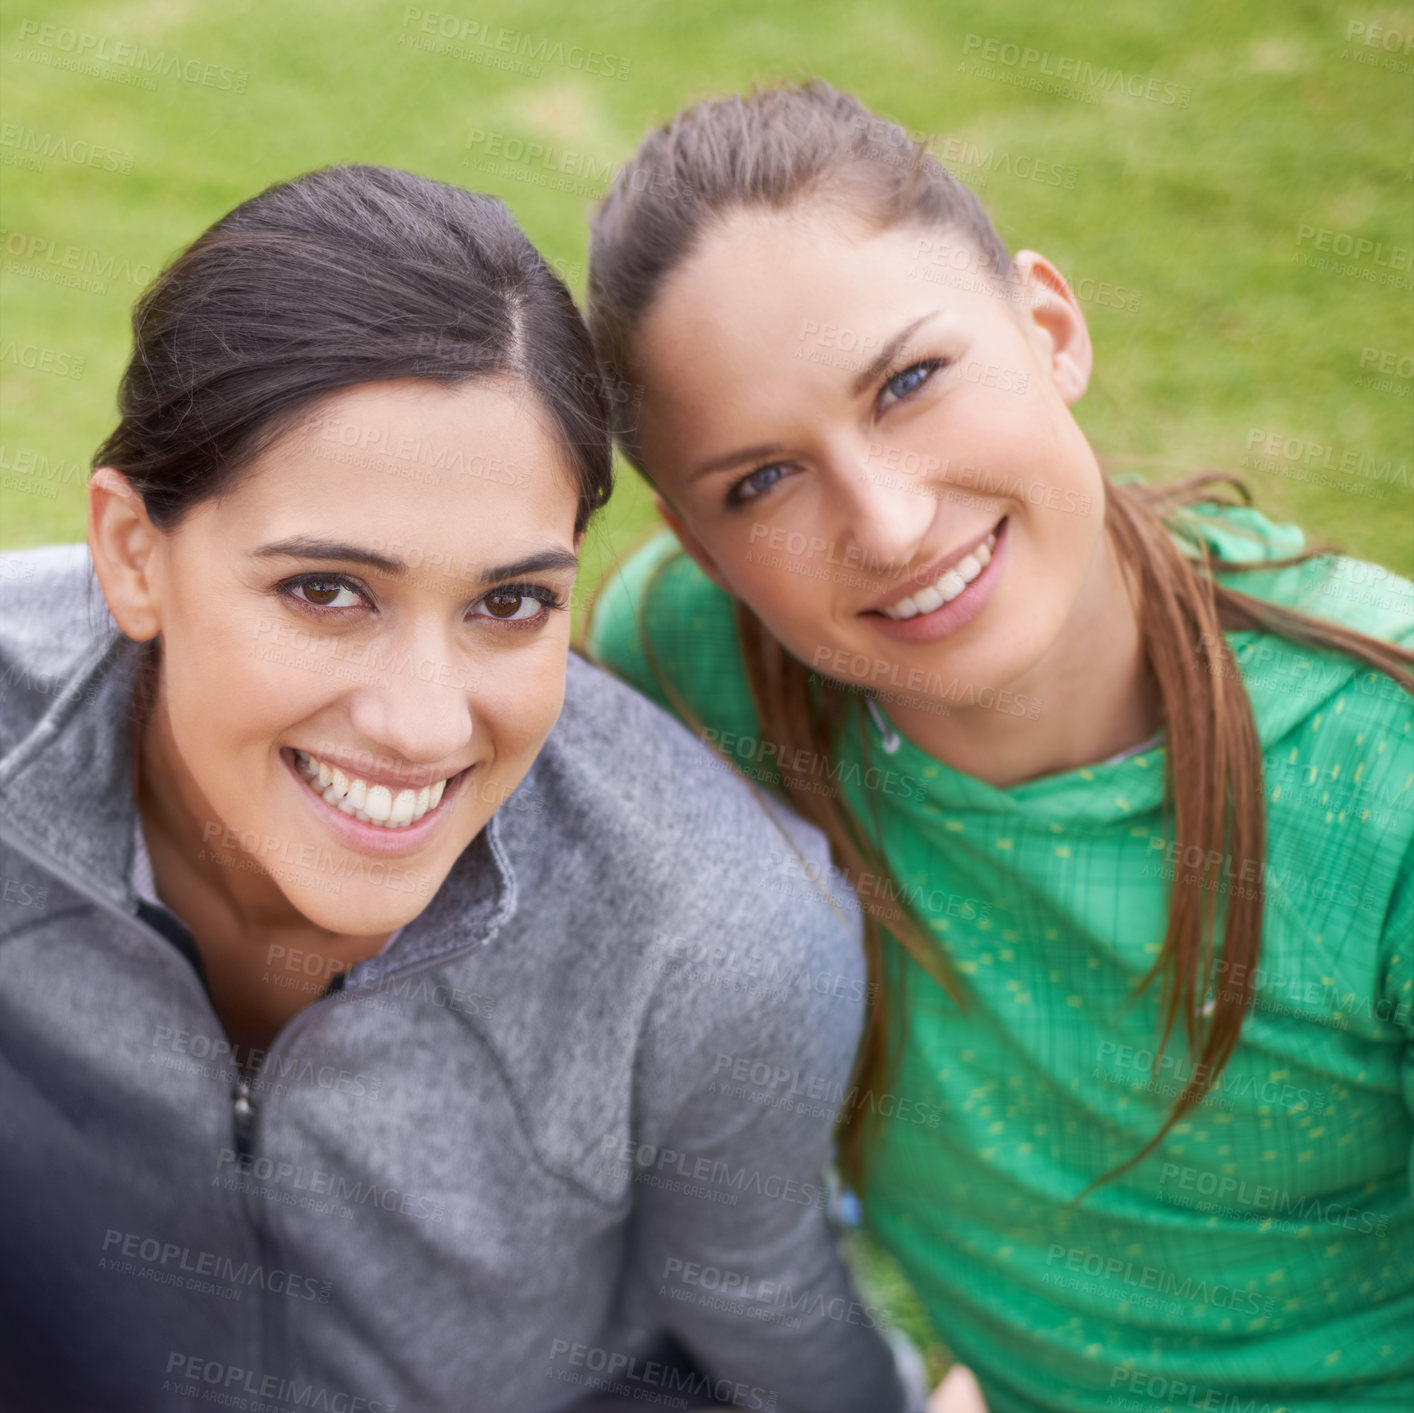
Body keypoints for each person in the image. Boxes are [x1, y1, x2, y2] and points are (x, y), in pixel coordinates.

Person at [0, 164, 921, 1413]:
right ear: (133, 553)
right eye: (326, 590)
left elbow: (761, 1310)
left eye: (509, 603)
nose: (424, 723)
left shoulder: (717, 938)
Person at [584, 82, 1414, 1412]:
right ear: (701, 548)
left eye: (907, 383)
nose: (891, 522)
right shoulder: (686, 664)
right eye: (759, 481)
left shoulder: (1382, 772)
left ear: (1047, 326)